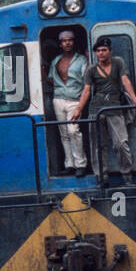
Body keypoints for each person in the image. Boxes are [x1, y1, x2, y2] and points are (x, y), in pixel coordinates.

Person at [72, 36, 136, 180]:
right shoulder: (92, 70)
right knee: (98, 145)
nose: (101, 53)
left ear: (110, 51)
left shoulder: (118, 63)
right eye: (98, 51)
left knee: (121, 143)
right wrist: (78, 109)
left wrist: (135, 100)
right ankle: (101, 176)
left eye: (104, 50)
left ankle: (127, 174)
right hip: (96, 110)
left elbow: (125, 81)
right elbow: (86, 90)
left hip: (115, 108)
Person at [48, 30, 88, 174]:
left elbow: (87, 79)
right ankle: (69, 164)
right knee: (64, 133)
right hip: (58, 98)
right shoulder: (56, 60)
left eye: (70, 40)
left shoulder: (82, 59)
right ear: (60, 44)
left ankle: (81, 164)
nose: (67, 43)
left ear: (74, 42)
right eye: (64, 41)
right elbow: (51, 79)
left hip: (75, 99)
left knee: (73, 131)